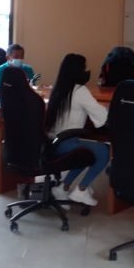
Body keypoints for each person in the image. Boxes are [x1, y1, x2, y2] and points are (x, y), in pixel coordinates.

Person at [45, 54, 110, 207]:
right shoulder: (80, 90)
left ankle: (63, 187)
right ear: (78, 71)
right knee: (104, 151)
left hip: (51, 143)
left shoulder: (57, 88)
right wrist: (108, 109)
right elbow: (101, 116)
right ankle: (81, 189)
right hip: (66, 143)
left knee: (84, 153)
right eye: (84, 68)